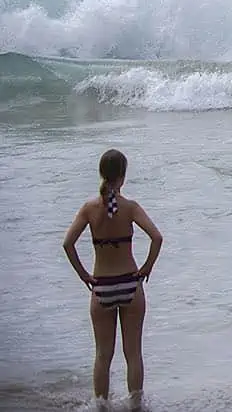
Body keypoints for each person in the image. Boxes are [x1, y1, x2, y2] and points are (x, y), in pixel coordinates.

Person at [61, 149, 163, 412]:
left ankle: (101, 407)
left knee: (103, 355)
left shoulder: (89, 209)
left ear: (101, 173)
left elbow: (68, 244)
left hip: (102, 287)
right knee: (133, 354)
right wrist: (147, 267)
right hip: (130, 283)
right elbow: (157, 237)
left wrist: (84, 275)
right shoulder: (130, 207)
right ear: (123, 176)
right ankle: (136, 406)